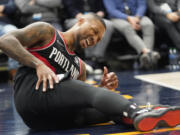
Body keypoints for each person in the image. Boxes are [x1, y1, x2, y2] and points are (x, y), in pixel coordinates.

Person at [0, 13, 179, 132]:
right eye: (93, 32)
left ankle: (140, 115)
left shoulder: (80, 66)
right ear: (80, 21)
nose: (94, 39)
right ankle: (136, 112)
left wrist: (102, 89)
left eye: (98, 39)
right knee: (92, 93)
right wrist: (38, 64)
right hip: (32, 97)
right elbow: (6, 40)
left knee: (106, 109)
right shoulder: (47, 32)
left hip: (53, 120)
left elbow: (80, 99)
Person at [103, 0, 160, 70]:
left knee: (148, 24)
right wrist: (128, 18)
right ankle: (147, 52)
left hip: (137, 17)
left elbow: (142, 5)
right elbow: (112, 10)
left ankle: (146, 57)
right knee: (127, 27)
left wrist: (137, 17)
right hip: (117, 18)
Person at [63, 0, 114, 73]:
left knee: (108, 25)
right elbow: (70, 8)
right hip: (75, 19)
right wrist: (85, 18)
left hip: (95, 18)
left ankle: (96, 58)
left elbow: (102, 9)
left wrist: (100, 14)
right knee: (88, 27)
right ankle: (89, 59)